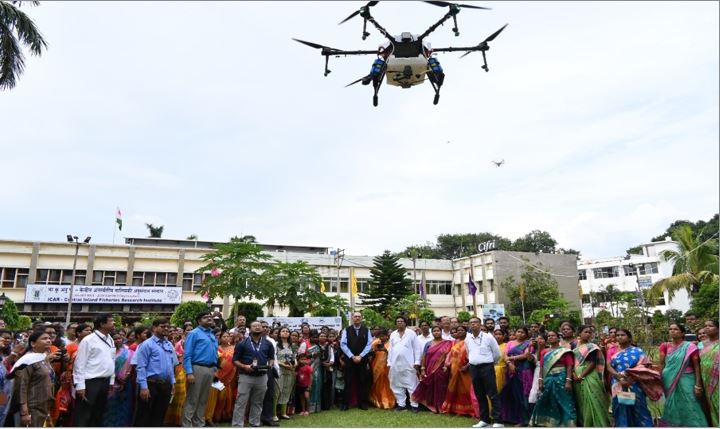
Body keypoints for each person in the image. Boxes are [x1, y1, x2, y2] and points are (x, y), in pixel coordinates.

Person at [606, 328, 660, 427]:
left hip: (634, 383)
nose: (619, 337)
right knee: (620, 407)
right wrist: (619, 377)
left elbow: (644, 366)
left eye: (623, 335)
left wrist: (630, 378)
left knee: (639, 408)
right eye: (618, 335)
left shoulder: (637, 351)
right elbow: (608, 366)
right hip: (618, 383)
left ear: (629, 338)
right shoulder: (612, 350)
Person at [658, 322, 707, 426]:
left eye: (675, 329)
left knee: (691, 402)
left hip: (687, 378)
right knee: (672, 404)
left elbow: (696, 366)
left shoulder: (690, 346)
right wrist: (659, 378)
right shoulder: (665, 346)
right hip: (668, 379)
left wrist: (698, 384)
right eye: (670, 329)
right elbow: (661, 363)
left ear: (682, 333)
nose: (672, 331)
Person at [73, 313, 117, 427]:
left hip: (105, 381)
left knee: (98, 413)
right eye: (111, 321)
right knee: (84, 414)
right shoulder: (88, 340)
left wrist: (111, 381)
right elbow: (80, 364)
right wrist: (80, 385)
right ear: (102, 324)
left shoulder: (110, 339)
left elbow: (112, 360)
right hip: (90, 382)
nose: (114, 323)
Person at [133, 318, 176, 427]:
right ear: (154, 328)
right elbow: (141, 367)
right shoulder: (147, 344)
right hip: (150, 384)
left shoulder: (169, 344)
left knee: (160, 415)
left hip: (165, 385)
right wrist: (143, 387)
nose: (166, 328)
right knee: (144, 415)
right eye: (162, 326)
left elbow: (170, 365)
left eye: (167, 326)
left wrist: (172, 382)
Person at [231, 320, 275, 427]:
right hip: (246, 376)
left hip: (262, 376)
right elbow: (235, 360)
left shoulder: (268, 343)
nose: (257, 327)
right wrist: (244, 366)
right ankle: (237, 425)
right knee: (241, 402)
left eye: (259, 326)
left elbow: (271, 358)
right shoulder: (242, 343)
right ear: (250, 329)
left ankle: (254, 423)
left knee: (258, 402)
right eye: (254, 326)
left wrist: (270, 364)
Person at [529, 330, 576, 427]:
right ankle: (550, 423)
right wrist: (540, 381)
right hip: (548, 378)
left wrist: (568, 381)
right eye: (549, 336)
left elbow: (569, 366)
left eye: (553, 335)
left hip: (562, 378)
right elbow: (542, 367)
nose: (550, 337)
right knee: (548, 400)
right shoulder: (544, 352)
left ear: (558, 338)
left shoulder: (564, 351)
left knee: (565, 400)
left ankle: (569, 423)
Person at [8, 331, 54, 427]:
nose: (48, 340)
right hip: (31, 408)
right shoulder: (28, 361)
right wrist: (24, 412)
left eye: (49, 338)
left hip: (43, 406)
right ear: (33, 343)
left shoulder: (43, 359)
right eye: (44, 338)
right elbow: (21, 387)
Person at [182, 311, 219, 427]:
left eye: (210, 317)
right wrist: (189, 372)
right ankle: (187, 425)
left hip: (210, 369)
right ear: (199, 321)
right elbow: (187, 355)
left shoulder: (212, 334)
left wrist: (215, 369)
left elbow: (215, 354)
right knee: (192, 399)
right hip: (197, 368)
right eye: (205, 317)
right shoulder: (194, 333)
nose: (209, 318)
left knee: (203, 400)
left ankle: (199, 424)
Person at [466, 317, 502, 428]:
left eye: (475, 322)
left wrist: (490, 363)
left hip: (487, 367)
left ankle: (497, 420)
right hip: (474, 368)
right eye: (471, 323)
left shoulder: (488, 337)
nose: (473, 325)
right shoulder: (468, 339)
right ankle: (484, 419)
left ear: (480, 324)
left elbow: (497, 353)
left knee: (492, 393)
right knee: (479, 394)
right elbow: (468, 353)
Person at [572, 325, 610, 427]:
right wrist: (574, 374)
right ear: (579, 333)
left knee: (594, 399)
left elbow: (593, 363)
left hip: (589, 376)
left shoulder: (592, 347)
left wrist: (581, 376)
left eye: (590, 332)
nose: (588, 334)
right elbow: (571, 363)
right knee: (581, 402)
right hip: (576, 378)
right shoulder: (575, 347)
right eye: (585, 332)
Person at [412, 326, 452, 413]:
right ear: (432, 333)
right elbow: (424, 356)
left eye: (438, 331)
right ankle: (432, 406)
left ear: (441, 332)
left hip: (442, 370)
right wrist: (422, 368)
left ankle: (441, 406)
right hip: (429, 369)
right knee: (430, 387)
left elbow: (450, 355)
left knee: (441, 387)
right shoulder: (428, 343)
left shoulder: (448, 343)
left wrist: (447, 366)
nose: (436, 332)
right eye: (434, 331)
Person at [440, 325, 477, 417]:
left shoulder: (469, 342)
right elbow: (449, 355)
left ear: (466, 331)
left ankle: (471, 410)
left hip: (466, 369)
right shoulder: (453, 342)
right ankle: (457, 409)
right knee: (455, 389)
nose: (460, 331)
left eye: (462, 330)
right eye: (458, 330)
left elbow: (473, 355)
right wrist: (446, 365)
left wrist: (467, 366)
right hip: (454, 369)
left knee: (466, 389)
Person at [388, 316, 422, 412]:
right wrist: (389, 362)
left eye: (401, 321)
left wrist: (417, 362)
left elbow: (416, 348)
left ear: (405, 323)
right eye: (398, 321)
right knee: (396, 385)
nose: (399, 323)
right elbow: (391, 349)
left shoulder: (411, 333)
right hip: (395, 364)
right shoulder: (393, 334)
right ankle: (401, 405)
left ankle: (414, 405)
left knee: (412, 385)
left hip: (409, 363)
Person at [500, 326, 533, 426]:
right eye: (518, 331)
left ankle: (523, 420)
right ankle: (510, 418)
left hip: (522, 371)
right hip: (510, 370)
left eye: (523, 332)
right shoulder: (510, 343)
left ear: (526, 334)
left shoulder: (528, 344)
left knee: (521, 395)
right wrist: (509, 363)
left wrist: (511, 358)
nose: (520, 334)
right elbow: (504, 354)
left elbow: (526, 355)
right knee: (510, 393)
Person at [339, 311, 373, 410]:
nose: (357, 318)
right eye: (355, 316)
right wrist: (352, 356)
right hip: (350, 360)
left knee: (362, 381)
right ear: (352, 318)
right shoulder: (346, 330)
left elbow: (369, 344)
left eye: (359, 316)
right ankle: (345, 404)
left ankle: (362, 403)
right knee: (348, 381)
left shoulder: (367, 330)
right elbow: (343, 344)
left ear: (361, 318)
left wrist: (361, 356)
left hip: (362, 360)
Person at [102, 331, 135, 427]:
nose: (118, 340)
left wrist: (124, 379)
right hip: (109, 383)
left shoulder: (129, 352)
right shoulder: (106, 352)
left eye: (120, 338)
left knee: (123, 407)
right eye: (115, 338)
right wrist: (117, 378)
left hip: (125, 384)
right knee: (108, 406)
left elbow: (131, 367)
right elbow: (105, 367)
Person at [205, 331, 236, 425]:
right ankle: (210, 417)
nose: (226, 338)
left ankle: (221, 417)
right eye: (224, 336)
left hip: (230, 377)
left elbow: (234, 364)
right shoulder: (216, 348)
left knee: (226, 398)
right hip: (216, 377)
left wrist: (230, 377)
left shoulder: (234, 349)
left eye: (228, 336)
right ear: (219, 338)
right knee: (213, 398)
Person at [164, 324, 190, 426]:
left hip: (184, 369)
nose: (172, 333)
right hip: (173, 370)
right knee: (173, 395)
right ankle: (169, 420)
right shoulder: (171, 343)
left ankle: (178, 420)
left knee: (182, 395)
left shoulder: (186, 342)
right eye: (170, 331)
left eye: (173, 331)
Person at [369, 329, 395, 409]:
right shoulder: (375, 342)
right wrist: (374, 350)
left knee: (387, 383)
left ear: (387, 336)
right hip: (376, 366)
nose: (382, 337)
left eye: (384, 336)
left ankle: (389, 400)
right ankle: (377, 399)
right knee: (377, 383)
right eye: (381, 336)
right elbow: (370, 354)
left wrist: (386, 350)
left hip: (387, 367)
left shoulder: (391, 344)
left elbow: (394, 354)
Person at [699, 320, 719, 426]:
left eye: (710, 326)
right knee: (711, 406)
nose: (707, 328)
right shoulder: (700, 345)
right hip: (706, 381)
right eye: (705, 326)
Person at [276, 327, 296, 420]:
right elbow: (274, 359)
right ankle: (274, 414)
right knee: (277, 391)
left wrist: (295, 363)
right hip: (279, 370)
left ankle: (283, 413)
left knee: (286, 390)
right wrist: (283, 364)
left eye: (287, 331)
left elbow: (294, 357)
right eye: (283, 331)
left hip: (289, 371)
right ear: (279, 334)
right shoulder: (276, 344)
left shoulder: (292, 345)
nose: (285, 332)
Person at [306, 330, 323, 414]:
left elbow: (320, 356)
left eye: (316, 337)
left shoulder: (317, 345)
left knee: (317, 386)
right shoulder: (305, 344)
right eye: (313, 337)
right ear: (310, 337)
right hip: (308, 368)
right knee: (310, 387)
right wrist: (313, 354)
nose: (315, 338)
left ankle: (317, 407)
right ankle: (309, 408)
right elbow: (301, 356)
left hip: (317, 368)